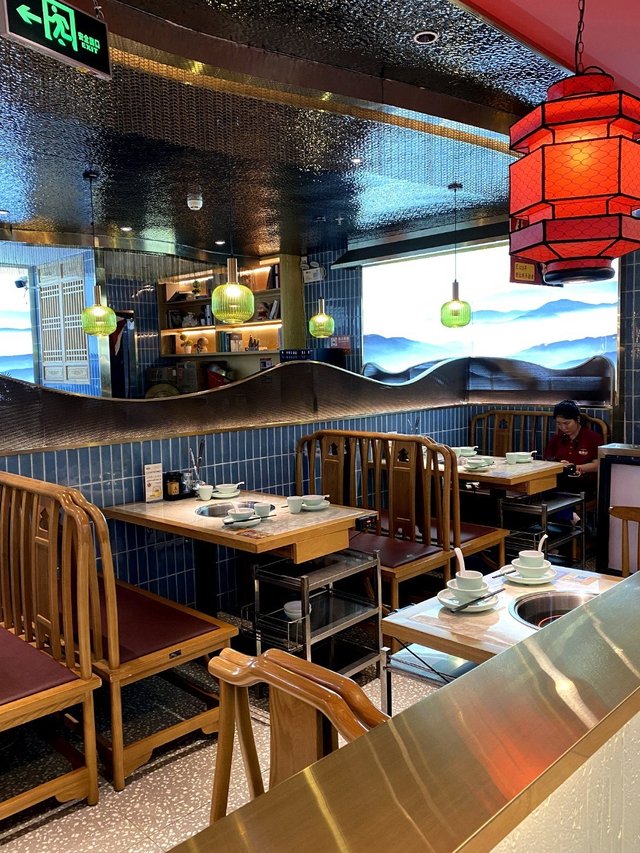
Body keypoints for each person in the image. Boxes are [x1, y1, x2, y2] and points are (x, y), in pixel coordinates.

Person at [544, 399, 604, 498]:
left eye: (567, 423)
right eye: (559, 424)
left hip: (583, 482)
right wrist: (559, 465)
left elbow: (598, 465)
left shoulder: (592, 438)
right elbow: (547, 461)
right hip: (560, 480)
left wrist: (574, 468)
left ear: (577, 419)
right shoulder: (557, 438)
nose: (563, 428)